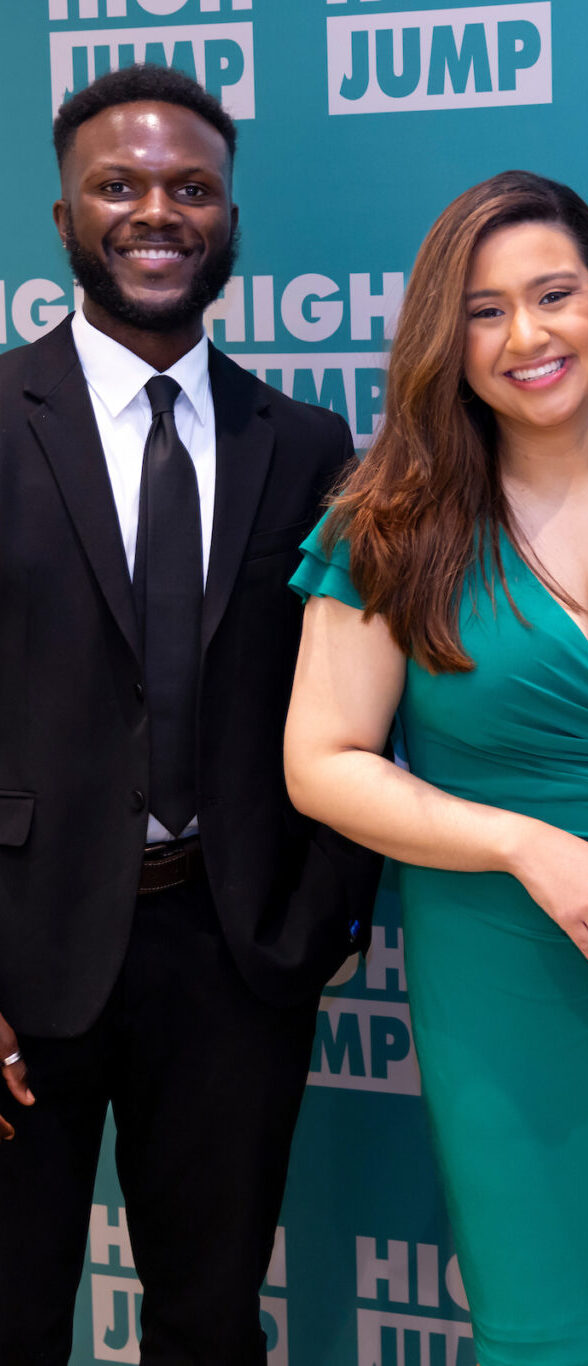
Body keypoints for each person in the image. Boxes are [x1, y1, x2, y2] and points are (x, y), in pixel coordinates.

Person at [283, 170, 588, 1366]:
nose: (528, 336)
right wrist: (518, 841)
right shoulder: (390, 517)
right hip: (503, 973)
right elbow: (323, 761)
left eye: (554, 296)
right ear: (447, 338)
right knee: (553, 1326)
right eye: (485, 311)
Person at [0, 65, 381, 1365]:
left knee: (211, 1324)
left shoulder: (308, 442)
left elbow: (354, 707)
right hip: (16, 958)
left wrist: (318, 915)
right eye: (119, 185)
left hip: (232, 958)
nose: (155, 211)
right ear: (62, 219)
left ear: (228, 219)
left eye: (190, 189)